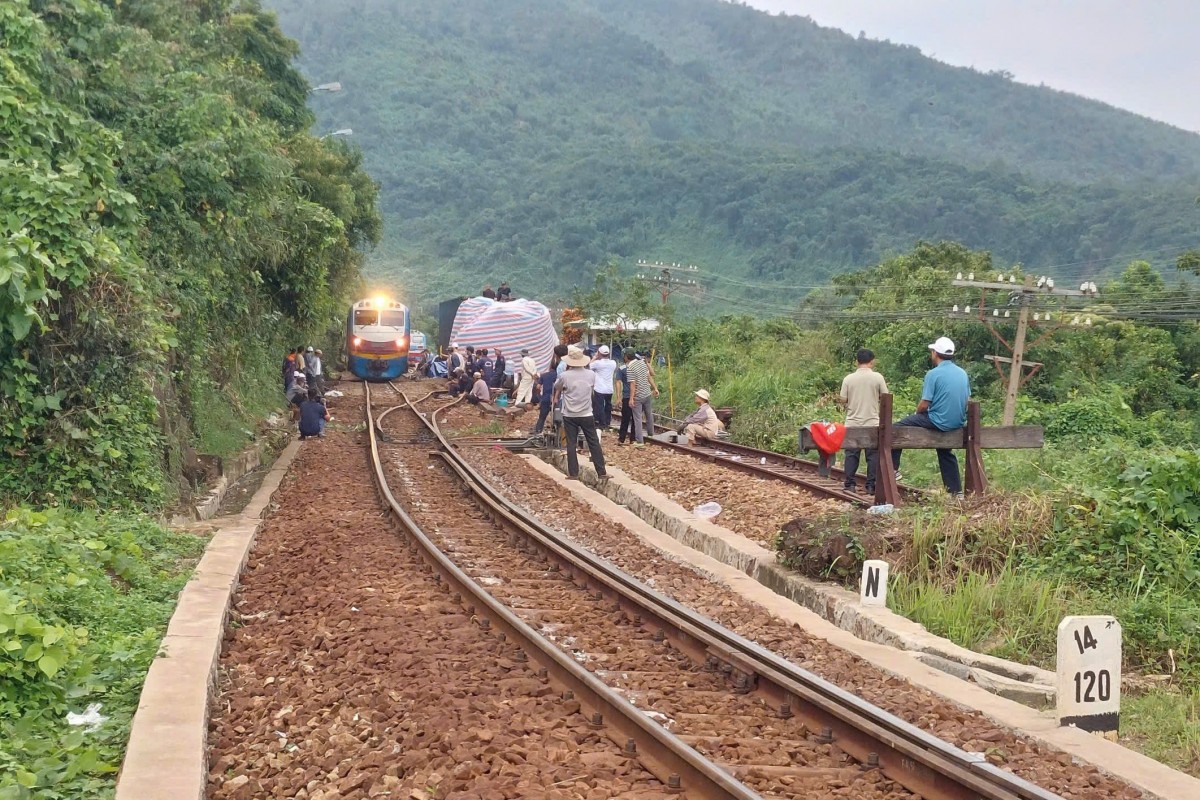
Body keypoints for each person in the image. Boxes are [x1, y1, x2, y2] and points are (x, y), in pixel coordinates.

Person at [892, 336, 970, 496]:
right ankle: (956, 492)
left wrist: (917, 412)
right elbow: (967, 400)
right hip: (957, 422)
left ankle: (893, 469)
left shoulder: (933, 374)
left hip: (937, 420)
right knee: (944, 451)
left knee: (896, 428)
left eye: (932, 351)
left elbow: (925, 403)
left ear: (936, 353)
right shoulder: (962, 373)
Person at [838, 348, 889, 495]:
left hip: (852, 422)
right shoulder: (878, 378)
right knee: (872, 455)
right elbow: (886, 397)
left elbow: (843, 400)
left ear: (856, 362)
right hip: (872, 422)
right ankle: (871, 486)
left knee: (851, 454)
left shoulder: (848, 379)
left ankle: (850, 484)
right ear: (872, 361)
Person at [553, 346, 608, 479]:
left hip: (570, 414)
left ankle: (573, 473)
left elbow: (557, 386)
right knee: (593, 442)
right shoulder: (591, 374)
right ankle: (601, 472)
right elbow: (593, 388)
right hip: (586, 413)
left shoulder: (564, 375)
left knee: (571, 443)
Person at [624, 350, 657, 446]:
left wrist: (631, 398)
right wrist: (655, 388)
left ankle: (639, 441)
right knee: (649, 414)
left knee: (637, 418)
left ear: (626, 357)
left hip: (638, 396)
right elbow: (649, 377)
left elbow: (633, 384)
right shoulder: (642, 363)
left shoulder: (630, 367)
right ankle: (651, 434)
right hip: (647, 393)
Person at [589, 345, 617, 428]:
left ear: (599, 353)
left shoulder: (597, 363)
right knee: (608, 406)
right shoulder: (613, 363)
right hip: (609, 389)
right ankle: (607, 422)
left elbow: (588, 366)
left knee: (599, 406)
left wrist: (594, 357)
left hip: (599, 388)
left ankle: (601, 423)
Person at [615, 356, 634, 444]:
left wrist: (618, 397)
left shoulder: (621, 368)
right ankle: (633, 439)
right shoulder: (638, 366)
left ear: (626, 357)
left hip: (626, 396)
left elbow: (618, 382)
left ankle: (622, 438)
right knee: (636, 419)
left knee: (625, 418)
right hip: (637, 396)